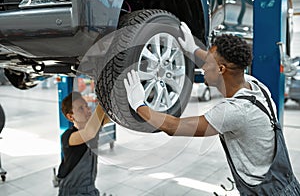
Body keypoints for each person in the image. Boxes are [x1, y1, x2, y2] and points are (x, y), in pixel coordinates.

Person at [123, 22, 300, 195]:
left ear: (221, 69)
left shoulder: (233, 111)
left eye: (207, 64)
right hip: (287, 184)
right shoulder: (255, 85)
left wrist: (140, 105)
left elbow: (173, 127)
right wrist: (192, 49)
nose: (203, 67)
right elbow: (218, 62)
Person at [57, 91, 110, 196]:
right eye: (81, 108)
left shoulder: (93, 131)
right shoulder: (68, 136)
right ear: (71, 117)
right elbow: (88, 133)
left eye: (86, 106)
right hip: (71, 191)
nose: (88, 110)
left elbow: (110, 116)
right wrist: (103, 96)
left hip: (90, 189)